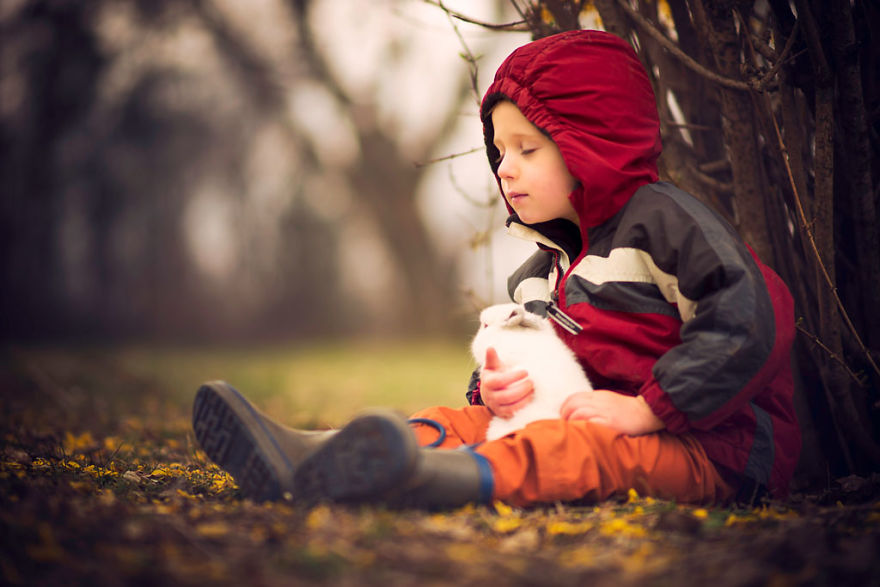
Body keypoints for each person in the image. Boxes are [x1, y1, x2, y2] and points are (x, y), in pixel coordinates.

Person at [191, 29, 800, 509]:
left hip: (709, 448)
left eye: (527, 149)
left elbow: (750, 319)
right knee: (468, 418)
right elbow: (533, 370)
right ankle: (311, 454)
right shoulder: (541, 270)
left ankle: (425, 478)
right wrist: (496, 391)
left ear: (591, 145)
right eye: (499, 151)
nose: (504, 169)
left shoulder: (665, 225)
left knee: (580, 448)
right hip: (591, 418)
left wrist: (650, 409)